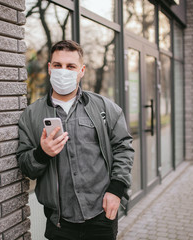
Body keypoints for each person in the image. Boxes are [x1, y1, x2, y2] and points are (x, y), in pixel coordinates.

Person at [17, 40, 134, 240]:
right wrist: (41, 153)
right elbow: (26, 167)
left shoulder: (104, 108)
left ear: (81, 70)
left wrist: (116, 190)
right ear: (50, 69)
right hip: (59, 221)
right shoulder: (31, 115)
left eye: (70, 66)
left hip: (101, 215)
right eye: (58, 65)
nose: (64, 71)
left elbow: (123, 148)